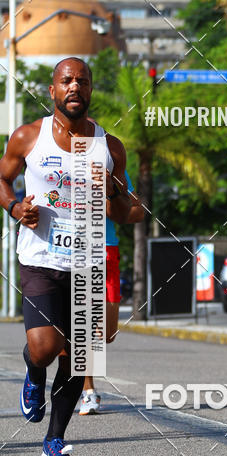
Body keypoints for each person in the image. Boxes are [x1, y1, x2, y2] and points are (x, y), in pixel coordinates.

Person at [0, 56, 131, 456]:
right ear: (53, 90)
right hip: (40, 257)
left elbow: (126, 205)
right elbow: (2, 179)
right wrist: (14, 206)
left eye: (83, 81)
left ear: (91, 90)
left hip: (89, 260)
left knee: (83, 356)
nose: (75, 87)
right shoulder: (28, 137)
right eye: (67, 81)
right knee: (45, 347)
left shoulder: (110, 147)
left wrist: (124, 203)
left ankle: (54, 440)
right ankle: (33, 372)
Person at [78, 170, 143, 414]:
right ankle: (88, 391)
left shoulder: (113, 169)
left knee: (106, 333)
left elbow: (138, 211)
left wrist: (111, 199)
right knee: (84, 325)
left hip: (107, 249)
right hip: (73, 250)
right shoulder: (59, 162)